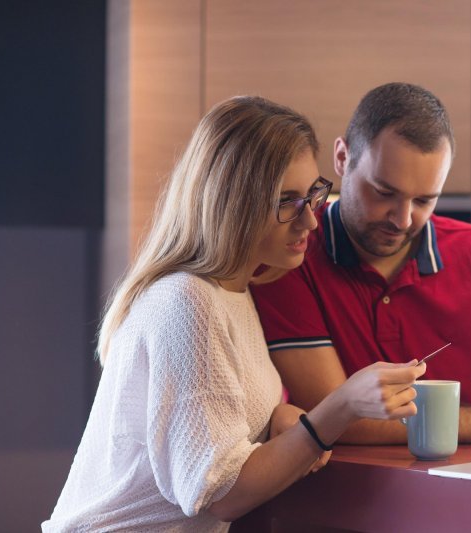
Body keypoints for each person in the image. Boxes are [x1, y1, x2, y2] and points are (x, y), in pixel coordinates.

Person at [42, 96, 426, 532]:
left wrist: (277, 421)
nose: (311, 223)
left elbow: (213, 434)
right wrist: (338, 408)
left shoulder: (234, 292)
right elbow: (220, 493)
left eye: (312, 195)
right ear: (232, 201)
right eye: (287, 201)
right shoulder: (189, 303)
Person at [251, 82, 471, 454]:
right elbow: (332, 415)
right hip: (339, 502)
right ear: (343, 158)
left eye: (425, 200)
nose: (402, 218)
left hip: (469, 498)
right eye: (384, 192)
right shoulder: (290, 255)